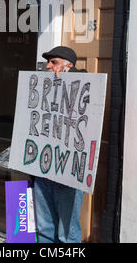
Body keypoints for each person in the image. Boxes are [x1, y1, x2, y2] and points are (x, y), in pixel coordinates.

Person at [33, 46, 85, 243]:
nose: (48, 66)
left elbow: (87, 79)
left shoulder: (81, 84)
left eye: (53, 62)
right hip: (43, 170)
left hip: (66, 173)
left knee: (67, 232)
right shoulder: (43, 86)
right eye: (48, 62)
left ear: (68, 66)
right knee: (45, 228)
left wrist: (70, 75)